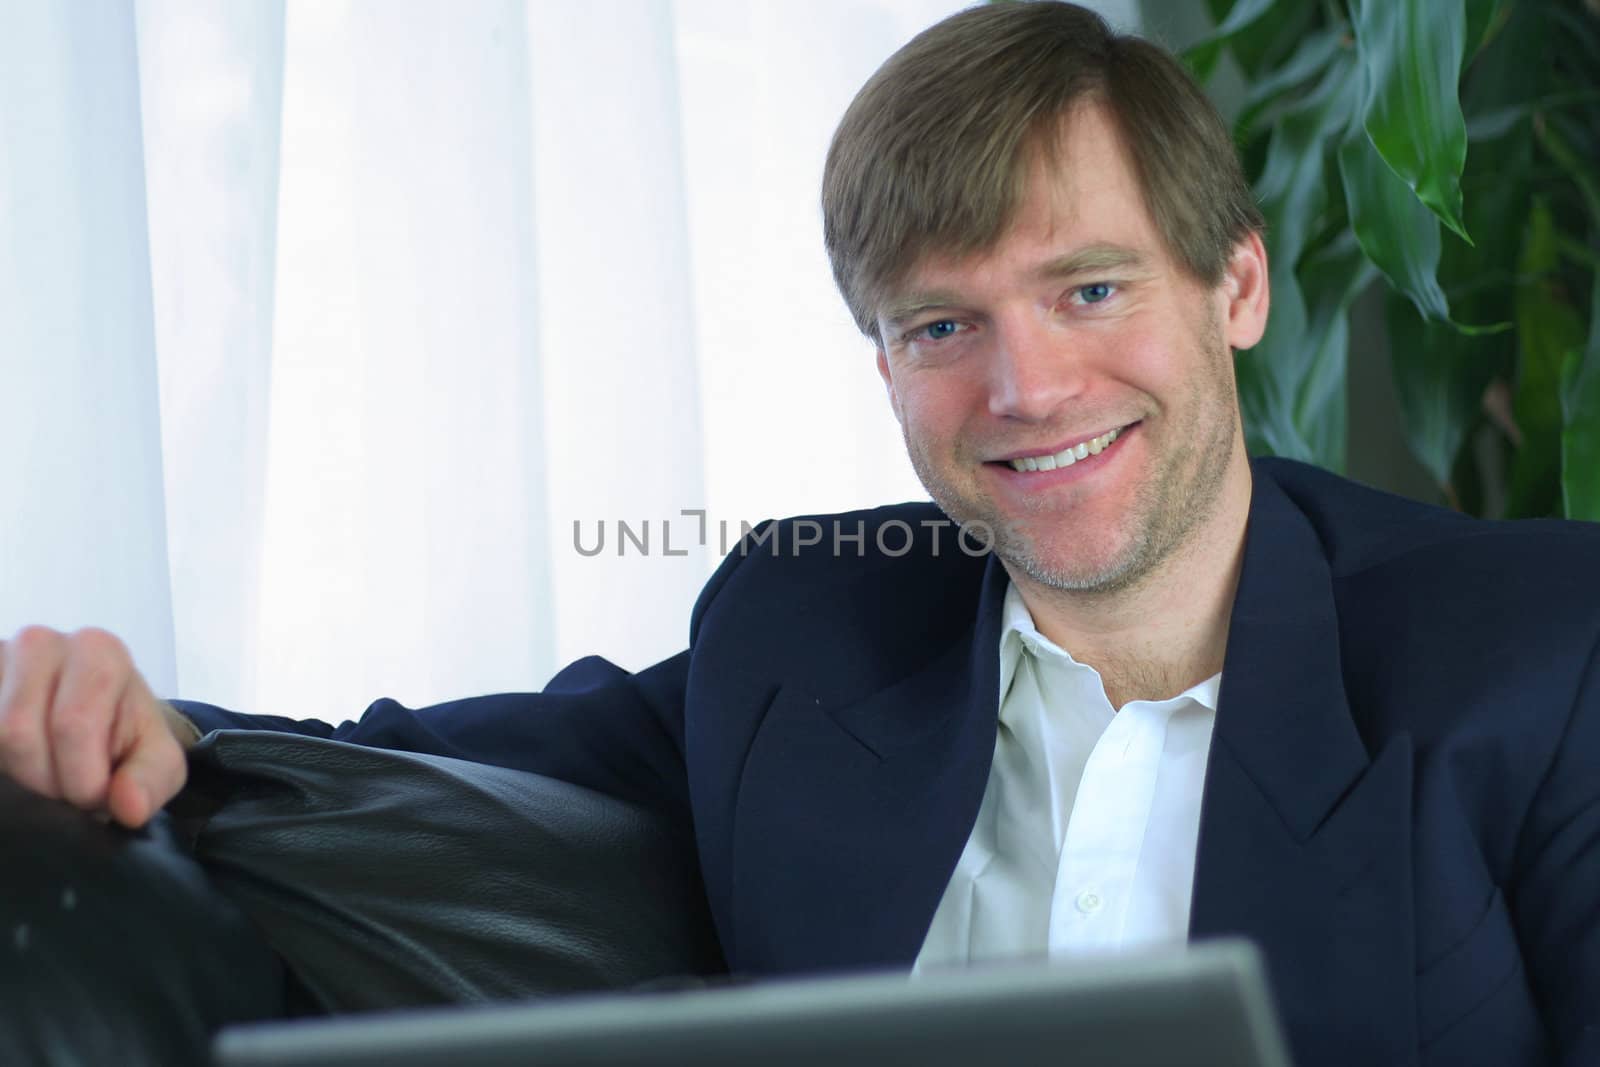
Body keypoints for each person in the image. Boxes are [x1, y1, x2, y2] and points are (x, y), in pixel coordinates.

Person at [1, 3, 1596, 1065]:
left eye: (1090, 290)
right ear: (886, 367)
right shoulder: (807, 630)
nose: (1026, 386)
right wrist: (143, 732)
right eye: (940, 326)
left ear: (1234, 288)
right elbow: (405, 770)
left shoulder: (1536, 658)